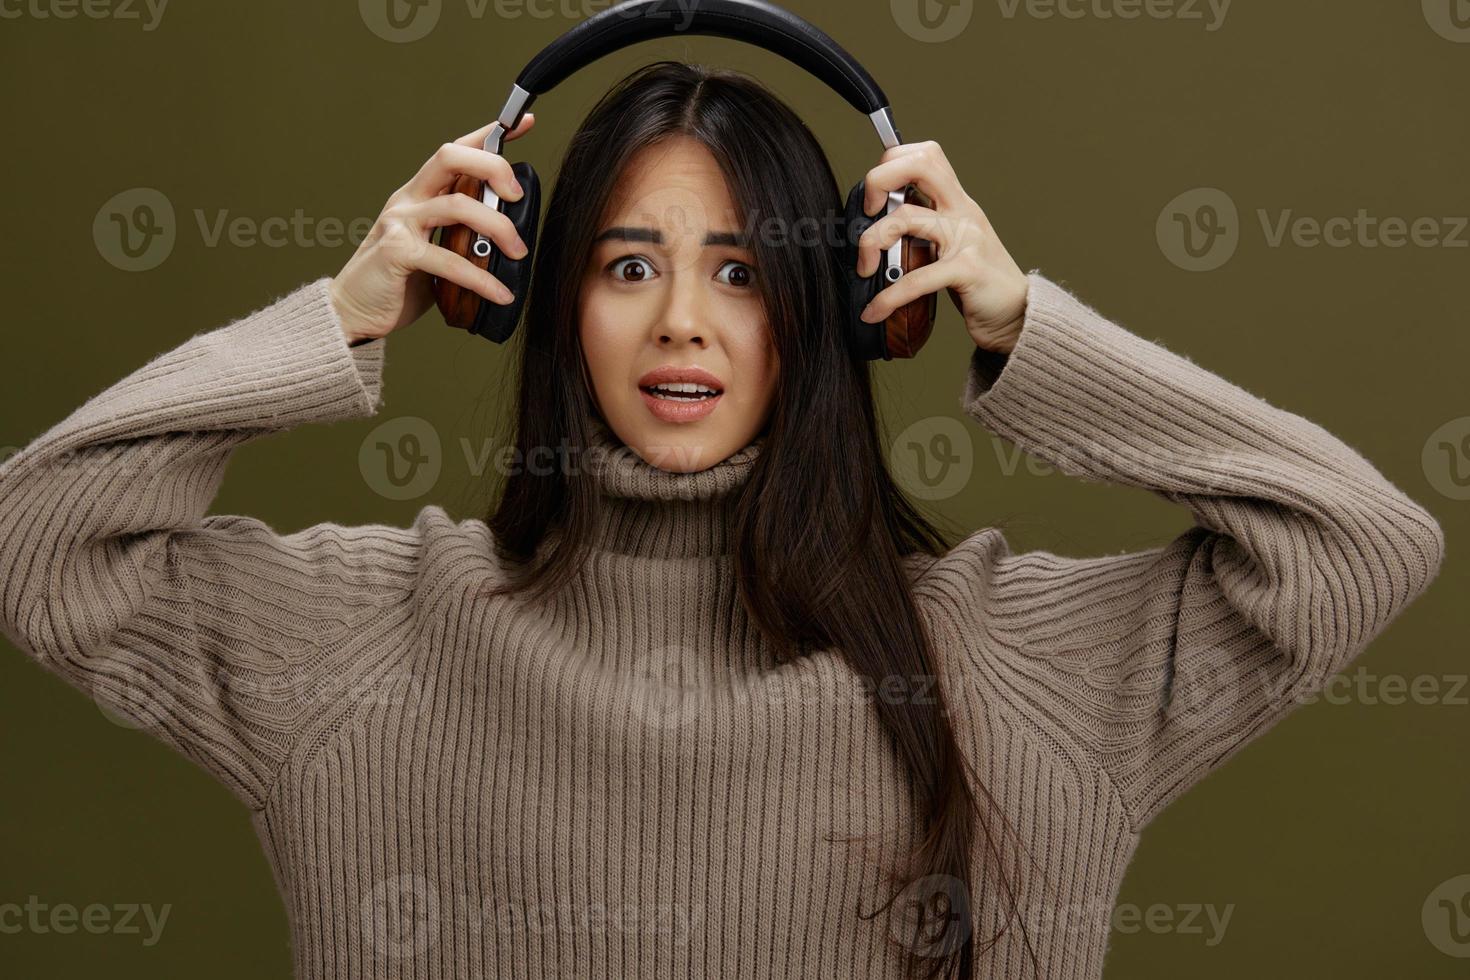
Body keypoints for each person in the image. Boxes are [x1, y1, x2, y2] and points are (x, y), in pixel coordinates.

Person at [0, 61, 1444, 980]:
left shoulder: (1002, 654)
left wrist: (1020, 323)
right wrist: (338, 316)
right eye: (628, 266)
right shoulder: (370, 632)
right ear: (535, 300)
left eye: (744, 273)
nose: (683, 321)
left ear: (831, 309)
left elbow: (1355, 542)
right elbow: (39, 540)